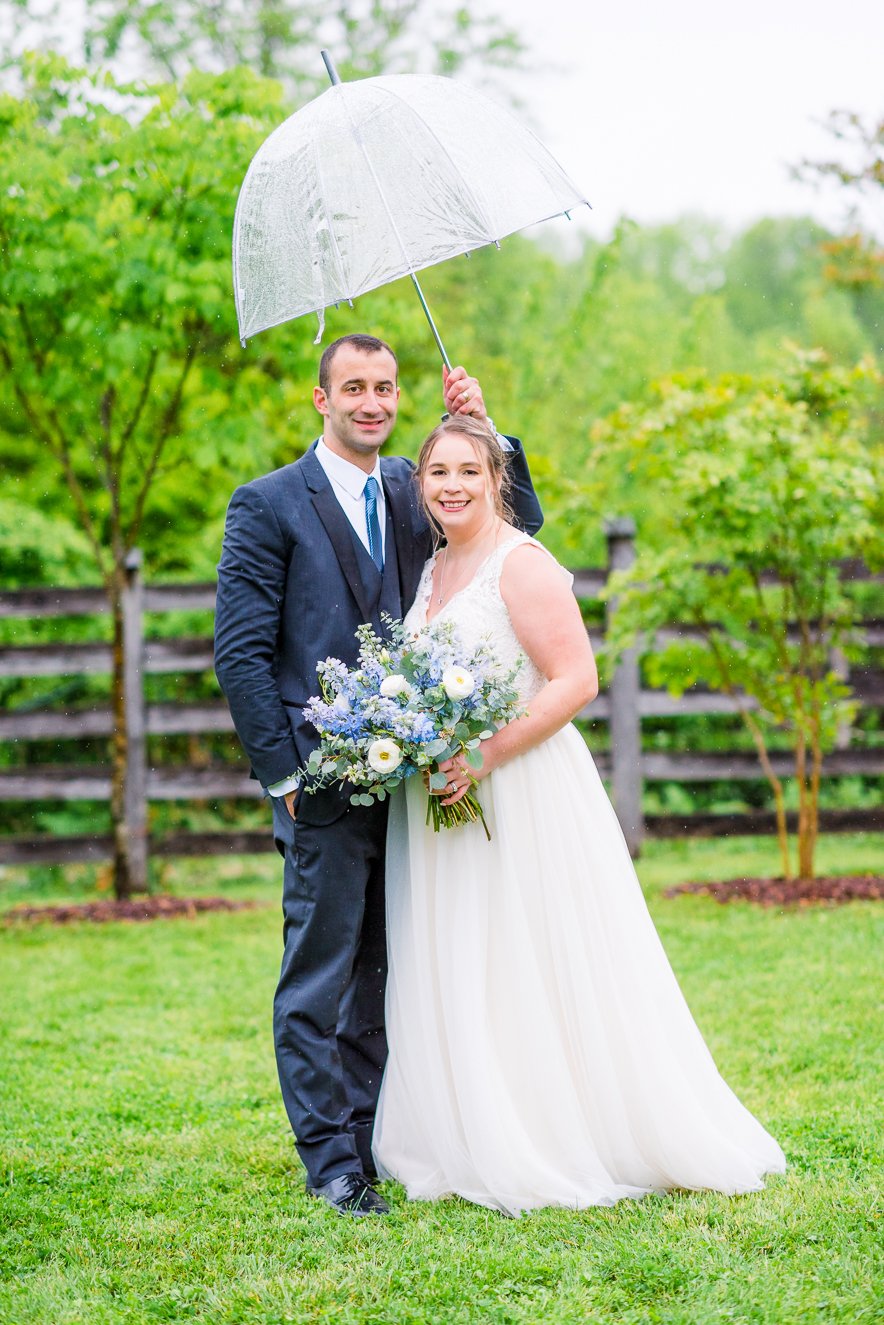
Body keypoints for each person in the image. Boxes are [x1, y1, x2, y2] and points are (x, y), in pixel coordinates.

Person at [372, 415, 786, 1216]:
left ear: (498, 477)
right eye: (436, 473)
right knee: (467, 955)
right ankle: (471, 1127)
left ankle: (555, 1131)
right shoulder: (432, 570)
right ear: (419, 484)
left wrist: (486, 753)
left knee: (534, 953)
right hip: (442, 799)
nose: (451, 485)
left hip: (520, 788)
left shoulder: (519, 564)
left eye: (468, 470)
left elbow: (575, 679)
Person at [213, 334, 542, 1218]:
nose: (371, 400)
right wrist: (282, 776)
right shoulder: (268, 504)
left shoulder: (411, 485)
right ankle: (328, 1162)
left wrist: (485, 428)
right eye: (353, 386)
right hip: (317, 783)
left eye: (385, 387)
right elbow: (240, 653)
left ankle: (369, 1141)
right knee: (320, 972)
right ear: (321, 400)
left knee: (387, 970)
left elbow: (520, 532)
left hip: (411, 783)